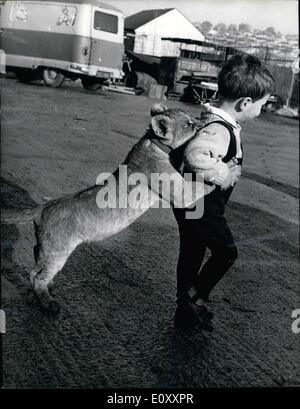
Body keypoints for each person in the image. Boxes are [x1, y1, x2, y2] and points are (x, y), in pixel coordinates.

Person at [172, 53, 275, 331]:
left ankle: (186, 306)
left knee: (192, 252)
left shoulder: (215, 122)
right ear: (245, 103)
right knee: (226, 252)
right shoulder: (220, 130)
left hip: (192, 201)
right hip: (201, 204)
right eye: (263, 104)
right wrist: (223, 173)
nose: (263, 109)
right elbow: (195, 155)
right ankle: (193, 300)